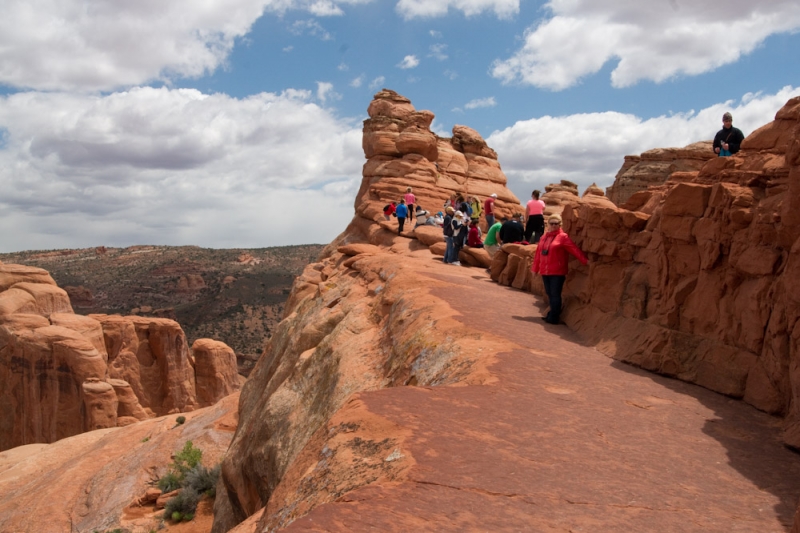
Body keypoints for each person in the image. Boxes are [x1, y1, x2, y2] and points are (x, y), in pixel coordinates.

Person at [531, 214, 588, 325]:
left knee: (555, 294)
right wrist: (535, 269)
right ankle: (552, 313)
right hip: (545, 270)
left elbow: (574, 250)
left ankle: (554, 317)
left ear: (560, 224)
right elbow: (538, 254)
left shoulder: (563, 237)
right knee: (549, 293)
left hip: (557, 271)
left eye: (556, 224)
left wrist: (585, 261)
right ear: (548, 224)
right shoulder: (544, 237)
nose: (553, 226)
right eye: (551, 223)